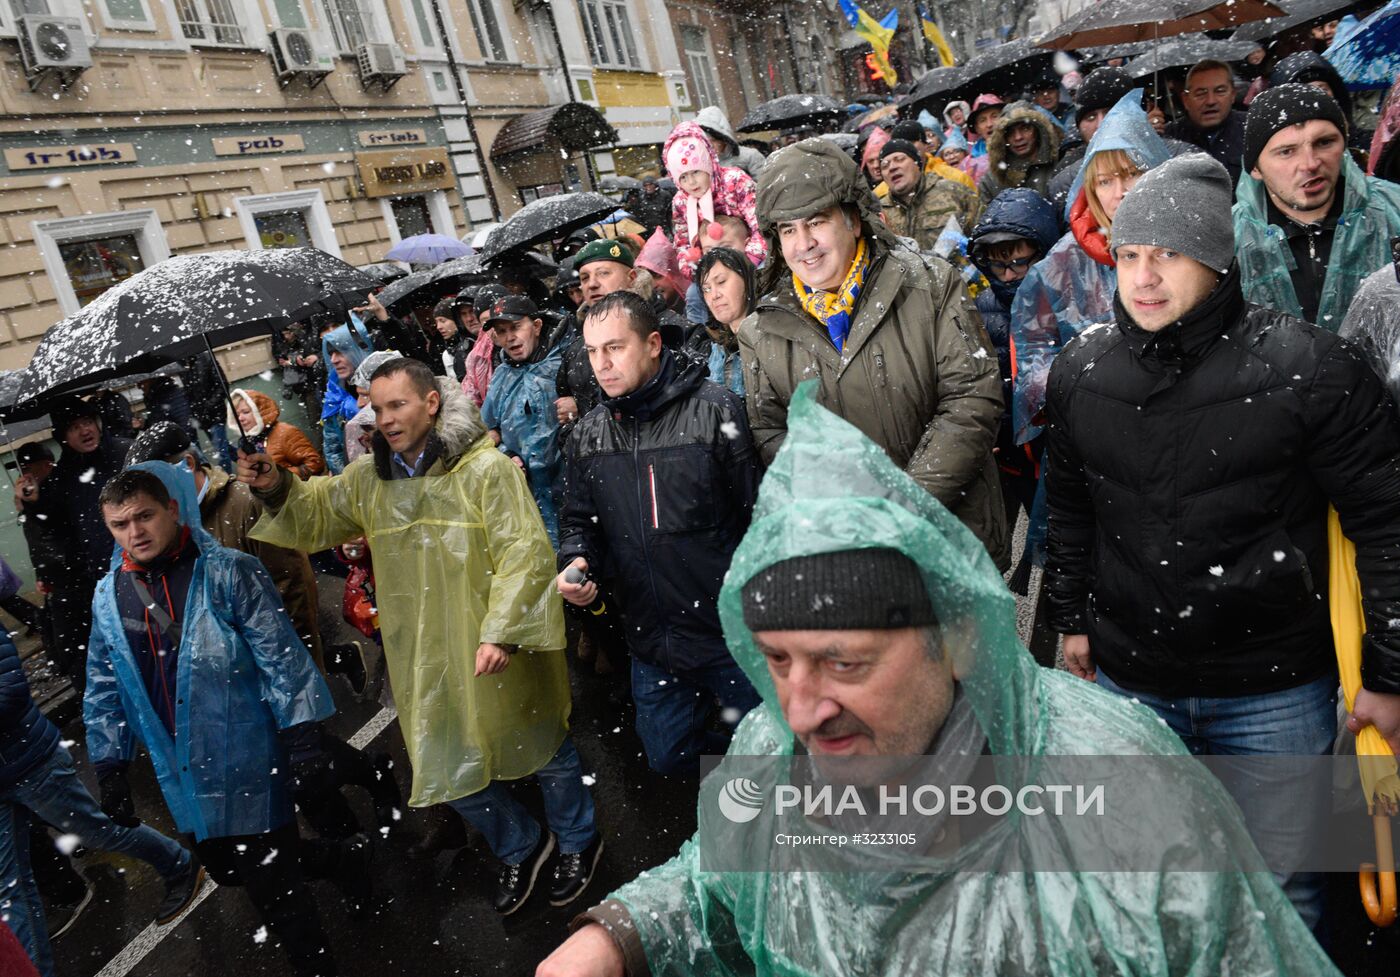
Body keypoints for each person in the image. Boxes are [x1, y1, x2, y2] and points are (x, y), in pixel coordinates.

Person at [536, 383, 1342, 977]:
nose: (802, 708)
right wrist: (616, 936)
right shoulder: (767, 749)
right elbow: (722, 873)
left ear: (954, 637)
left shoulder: (1127, 796)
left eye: (844, 660)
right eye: (777, 660)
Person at [1044, 152, 1400, 931]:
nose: (1144, 276)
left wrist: (1388, 671)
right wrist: (1071, 621)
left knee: (1285, 898)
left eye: (1169, 254)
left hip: (1274, 690)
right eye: (1130, 254)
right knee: (1154, 895)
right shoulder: (1083, 371)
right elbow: (1069, 508)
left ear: (1215, 259)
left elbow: (1384, 521)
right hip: (1134, 684)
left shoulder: (1309, 368)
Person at [240, 357, 602, 916]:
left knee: (540, 745)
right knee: (447, 764)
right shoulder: (369, 479)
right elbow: (314, 514)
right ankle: (522, 844)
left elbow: (524, 553)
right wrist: (274, 486)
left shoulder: (486, 471)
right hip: (422, 652)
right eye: (377, 408)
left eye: (397, 404)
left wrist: (503, 631)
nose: (384, 419)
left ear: (431, 403)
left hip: (490, 644)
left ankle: (579, 839)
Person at [86, 464, 359, 976]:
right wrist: (109, 764)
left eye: (144, 516)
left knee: (272, 886)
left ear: (172, 509)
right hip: (180, 766)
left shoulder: (229, 571)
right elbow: (104, 682)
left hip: (246, 752)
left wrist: (302, 740)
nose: (135, 532)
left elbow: (280, 657)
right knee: (232, 871)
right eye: (120, 525)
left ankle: (316, 962)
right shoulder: (108, 596)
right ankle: (344, 861)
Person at [739, 138, 1008, 570]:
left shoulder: (932, 285)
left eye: (816, 222)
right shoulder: (761, 330)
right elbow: (772, 431)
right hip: (851, 553)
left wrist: (905, 507)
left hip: (950, 540)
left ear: (854, 220)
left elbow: (972, 399)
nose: (803, 243)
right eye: (788, 229)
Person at [557, 292, 761, 774]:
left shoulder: (717, 411)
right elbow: (578, 520)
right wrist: (577, 559)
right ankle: (739, 786)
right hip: (653, 640)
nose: (600, 365)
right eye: (591, 352)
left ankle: (764, 812)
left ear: (652, 344)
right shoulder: (588, 435)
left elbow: (759, 516)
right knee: (669, 756)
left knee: (765, 751)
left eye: (614, 348)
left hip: (729, 635)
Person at [2, 631, 202, 977]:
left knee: (99, 832)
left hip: (31, 764)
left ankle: (179, 864)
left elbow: (10, 690)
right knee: (8, 888)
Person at [1011, 90, 1171, 450]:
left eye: (1131, 173)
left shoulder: (1189, 245)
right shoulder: (1063, 263)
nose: (1120, 192)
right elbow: (1035, 345)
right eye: (1105, 181)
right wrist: (1081, 391)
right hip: (1100, 434)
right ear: (1091, 189)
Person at [1234, 84, 1400, 330]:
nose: (1310, 164)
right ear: (1256, 168)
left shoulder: (1393, 209)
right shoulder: (1228, 238)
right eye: (1287, 151)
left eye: (1324, 142)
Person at [967, 188, 1061, 573]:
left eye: (1020, 264)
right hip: (1010, 458)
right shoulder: (980, 311)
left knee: (1067, 550)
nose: (1007, 275)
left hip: (1058, 457)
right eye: (997, 265)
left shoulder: (1062, 303)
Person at [26, 397, 132, 691]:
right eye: (74, 427)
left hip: (142, 563)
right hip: (103, 578)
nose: (84, 430)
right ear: (63, 436)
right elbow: (56, 529)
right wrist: (34, 505)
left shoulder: (126, 453)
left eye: (87, 422)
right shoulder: (61, 479)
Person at [480, 295, 568, 546]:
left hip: (573, 487)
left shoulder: (566, 362)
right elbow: (486, 431)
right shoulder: (501, 377)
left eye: (516, 327)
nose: (510, 337)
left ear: (537, 326)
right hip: (528, 496)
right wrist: (505, 455)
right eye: (502, 331)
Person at [664, 121, 766, 272]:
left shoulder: (735, 180)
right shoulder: (681, 202)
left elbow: (760, 222)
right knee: (693, 295)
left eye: (696, 172)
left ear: (708, 165)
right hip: (712, 264)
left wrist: (749, 260)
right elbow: (682, 241)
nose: (691, 182)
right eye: (683, 177)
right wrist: (693, 268)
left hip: (749, 255)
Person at [1047, 66, 1135, 208]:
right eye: (1090, 117)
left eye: (1110, 113)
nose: (1101, 124)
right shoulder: (1065, 176)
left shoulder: (1170, 154)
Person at [878, 138, 983, 248]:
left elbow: (984, 234)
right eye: (885, 166)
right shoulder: (879, 213)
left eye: (899, 159)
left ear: (917, 164)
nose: (892, 167)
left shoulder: (954, 192)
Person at [1166, 60, 1248, 185]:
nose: (1210, 101)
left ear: (1232, 95)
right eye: (1201, 93)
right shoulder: (1169, 136)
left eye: (1220, 91)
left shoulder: (1251, 129)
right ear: (1186, 100)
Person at [696, 247, 757, 397]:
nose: (714, 295)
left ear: (747, 279)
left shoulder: (770, 337)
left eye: (721, 281)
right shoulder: (712, 347)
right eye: (707, 289)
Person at [227, 388, 325, 479]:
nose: (240, 418)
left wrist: (279, 478)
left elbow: (315, 464)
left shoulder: (285, 432)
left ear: (260, 411)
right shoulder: (247, 441)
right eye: (237, 415)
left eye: (245, 412)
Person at [318, 317, 375, 473]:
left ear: (359, 350)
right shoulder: (334, 394)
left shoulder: (383, 383)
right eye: (330, 354)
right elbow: (332, 447)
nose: (334, 360)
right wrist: (348, 478)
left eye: (341, 352)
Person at [977, 101, 1062, 204]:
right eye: (1010, 132)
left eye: (1025, 129)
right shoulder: (991, 181)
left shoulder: (1060, 163)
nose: (1018, 137)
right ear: (1002, 138)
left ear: (1038, 130)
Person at [182, 351, 234, 470]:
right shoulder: (183, 366)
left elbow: (222, 385)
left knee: (221, 452)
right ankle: (247, 459)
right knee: (224, 447)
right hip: (202, 418)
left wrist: (209, 405)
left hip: (215, 414)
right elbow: (188, 394)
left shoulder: (206, 358)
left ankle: (227, 482)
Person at [693, 105, 766, 178]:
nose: (710, 145)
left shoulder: (750, 156)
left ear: (723, 139)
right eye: (705, 142)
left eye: (713, 140)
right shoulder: (702, 165)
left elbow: (765, 184)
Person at [432, 293, 480, 382]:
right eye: (436, 322)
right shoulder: (447, 353)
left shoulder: (475, 343)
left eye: (443, 321)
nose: (439, 327)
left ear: (456, 320)